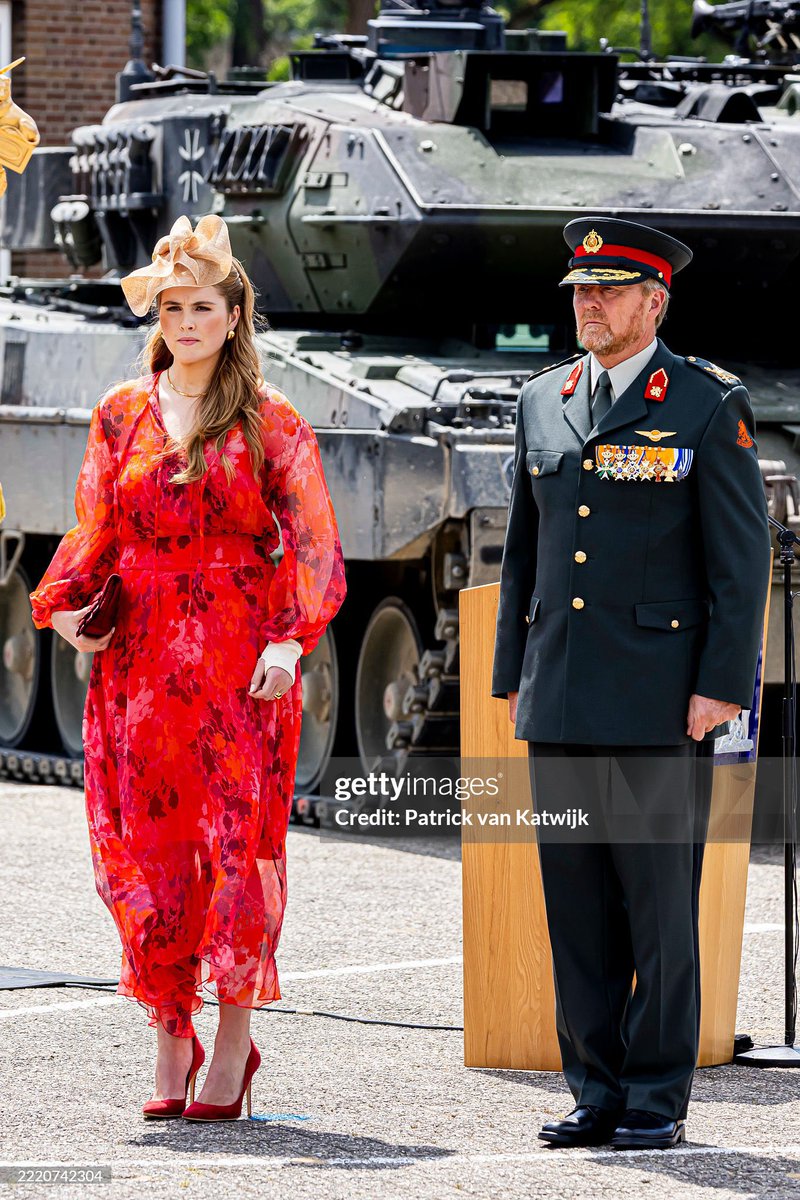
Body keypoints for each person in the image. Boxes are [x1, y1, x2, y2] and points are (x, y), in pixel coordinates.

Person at [29, 213, 347, 1122]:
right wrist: (68, 617)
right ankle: (171, 1037)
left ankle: (235, 1048)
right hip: (137, 672)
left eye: (201, 306)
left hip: (240, 669)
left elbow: (315, 545)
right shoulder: (119, 415)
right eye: (171, 308)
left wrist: (291, 639)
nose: (184, 322)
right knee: (151, 858)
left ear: (235, 313)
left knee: (236, 857)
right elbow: (94, 529)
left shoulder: (270, 419)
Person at [491, 216, 771, 1150]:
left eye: (608, 290)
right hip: (562, 693)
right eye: (579, 290)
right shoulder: (542, 399)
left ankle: (655, 1096)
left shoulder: (701, 402)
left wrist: (720, 684)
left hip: (660, 698)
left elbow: (741, 562)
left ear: (654, 302)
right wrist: (512, 677)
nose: (589, 304)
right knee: (576, 909)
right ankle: (594, 1089)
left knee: (659, 908)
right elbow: (525, 554)